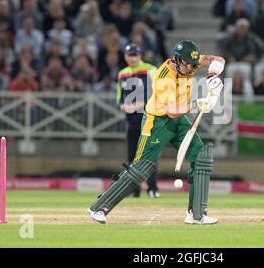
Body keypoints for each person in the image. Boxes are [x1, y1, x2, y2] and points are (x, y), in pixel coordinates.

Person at [88, 40, 225, 225]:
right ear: (177, 60)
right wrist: (198, 104)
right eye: (187, 64)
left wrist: (212, 76)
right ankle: (99, 207)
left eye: (193, 64)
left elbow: (218, 59)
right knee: (140, 169)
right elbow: (171, 110)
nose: (191, 68)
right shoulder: (164, 77)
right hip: (157, 122)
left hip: (178, 121)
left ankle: (197, 214)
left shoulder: (189, 63)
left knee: (201, 156)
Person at [116, 43, 160, 198]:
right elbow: (119, 97)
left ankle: (152, 188)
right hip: (131, 121)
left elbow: (159, 92)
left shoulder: (150, 70)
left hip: (148, 119)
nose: (132, 58)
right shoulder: (122, 73)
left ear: (140, 55)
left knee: (149, 155)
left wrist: (141, 104)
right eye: (129, 55)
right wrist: (124, 107)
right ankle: (133, 190)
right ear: (125, 56)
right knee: (132, 157)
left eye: (135, 55)